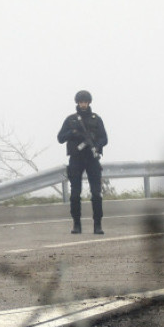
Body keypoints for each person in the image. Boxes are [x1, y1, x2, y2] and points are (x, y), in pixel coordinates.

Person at [57, 89, 108, 234]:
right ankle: (76, 224)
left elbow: (105, 138)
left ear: (89, 102)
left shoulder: (96, 119)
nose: (83, 104)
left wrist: (96, 146)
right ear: (77, 103)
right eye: (81, 102)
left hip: (92, 159)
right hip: (76, 159)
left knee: (96, 193)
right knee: (75, 194)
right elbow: (60, 138)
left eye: (85, 102)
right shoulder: (71, 120)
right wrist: (73, 133)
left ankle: (97, 225)